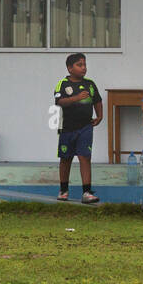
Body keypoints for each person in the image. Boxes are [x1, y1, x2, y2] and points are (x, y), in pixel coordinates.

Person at [53, 52, 102, 203]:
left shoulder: (90, 84)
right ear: (69, 68)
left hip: (85, 127)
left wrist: (99, 116)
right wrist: (76, 98)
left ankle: (87, 192)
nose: (83, 68)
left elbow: (97, 100)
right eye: (79, 65)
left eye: (84, 65)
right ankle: (63, 190)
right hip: (67, 128)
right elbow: (59, 102)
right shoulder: (63, 84)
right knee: (65, 159)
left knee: (85, 157)